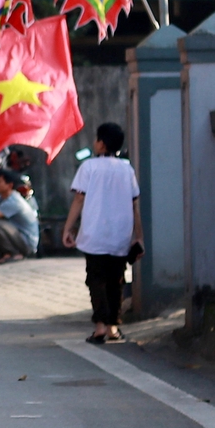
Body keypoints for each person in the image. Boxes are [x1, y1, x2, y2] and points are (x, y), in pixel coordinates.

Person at [62, 121, 142, 345]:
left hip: (94, 233)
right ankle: (113, 327)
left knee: (96, 279)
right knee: (116, 280)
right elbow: (134, 203)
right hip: (120, 234)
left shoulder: (88, 167)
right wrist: (139, 236)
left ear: (101, 143)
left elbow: (79, 198)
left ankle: (99, 327)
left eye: (97, 139)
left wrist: (68, 228)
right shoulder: (127, 169)